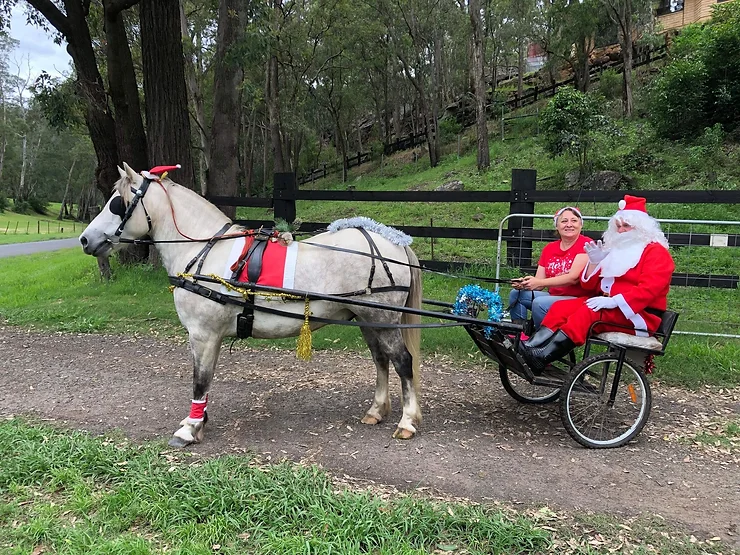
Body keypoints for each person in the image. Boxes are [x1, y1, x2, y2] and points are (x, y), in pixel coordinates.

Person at [518, 195, 675, 373]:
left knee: (588, 313)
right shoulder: (616, 250)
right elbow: (590, 287)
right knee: (560, 308)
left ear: (641, 228)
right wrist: (593, 264)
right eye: (619, 226)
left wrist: (614, 301)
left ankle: (543, 356)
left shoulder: (656, 252)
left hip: (637, 314)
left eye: (627, 226)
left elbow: (650, 289)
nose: (622, 230)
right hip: (610, 306)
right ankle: (530, 346)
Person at [508, 206, 590, 330]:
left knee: (540, 303)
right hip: (554, 296)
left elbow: (573, 278)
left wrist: (539, 282)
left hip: (578, 299)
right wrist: (525, 283)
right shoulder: (549, 248)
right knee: (516, 294)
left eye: (574, 221)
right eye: (564, 221)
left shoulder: (586, 245)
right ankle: (519, 333)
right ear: (557, 226)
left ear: (581, 225)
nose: (569, 225)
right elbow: (539, 284)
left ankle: (544, 342)